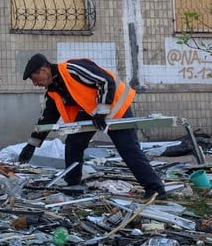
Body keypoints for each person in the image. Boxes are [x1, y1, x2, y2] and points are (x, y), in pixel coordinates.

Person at [18, 53, 167, 199]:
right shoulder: (53, 90)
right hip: (93, 110)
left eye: (34, 79)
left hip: (115, 105)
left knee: (128, 149)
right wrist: (32, 144)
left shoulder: (72, 69)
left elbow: (105, 80)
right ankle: (73, 184)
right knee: (74, 143)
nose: (35, 84)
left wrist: (102, 111)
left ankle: (155, 189)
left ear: (44, 70)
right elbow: (48, 117)